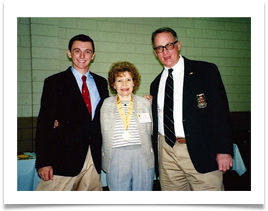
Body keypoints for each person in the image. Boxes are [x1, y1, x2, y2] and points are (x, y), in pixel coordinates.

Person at [150, 27, 233, 191]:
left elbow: (220, 112)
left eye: (169, 45)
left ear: (178, 45)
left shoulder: (206, 71)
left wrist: (224, 150)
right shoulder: (156, 84)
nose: (165, 52)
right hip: (167, 153)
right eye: (159, 48)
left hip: (200, 149)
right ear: (155, 52)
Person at [35, 34, 109, 191]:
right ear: (69, 53)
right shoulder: (54, 82)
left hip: (92, 159)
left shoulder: (101, 83)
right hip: (62, 160)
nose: (82, 56)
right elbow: (44, 124)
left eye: (87, 51)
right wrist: (43, 162)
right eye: (77, 51)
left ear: (93, 55)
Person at [100, 61, 154, 191]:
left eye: (128, 79)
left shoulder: (144, 103)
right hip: (116, 154)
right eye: (119, 80)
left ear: (134, 82)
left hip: (142, 153)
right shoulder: (106, 104)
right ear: (113, 84)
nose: (124, 84)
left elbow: (150, 130)